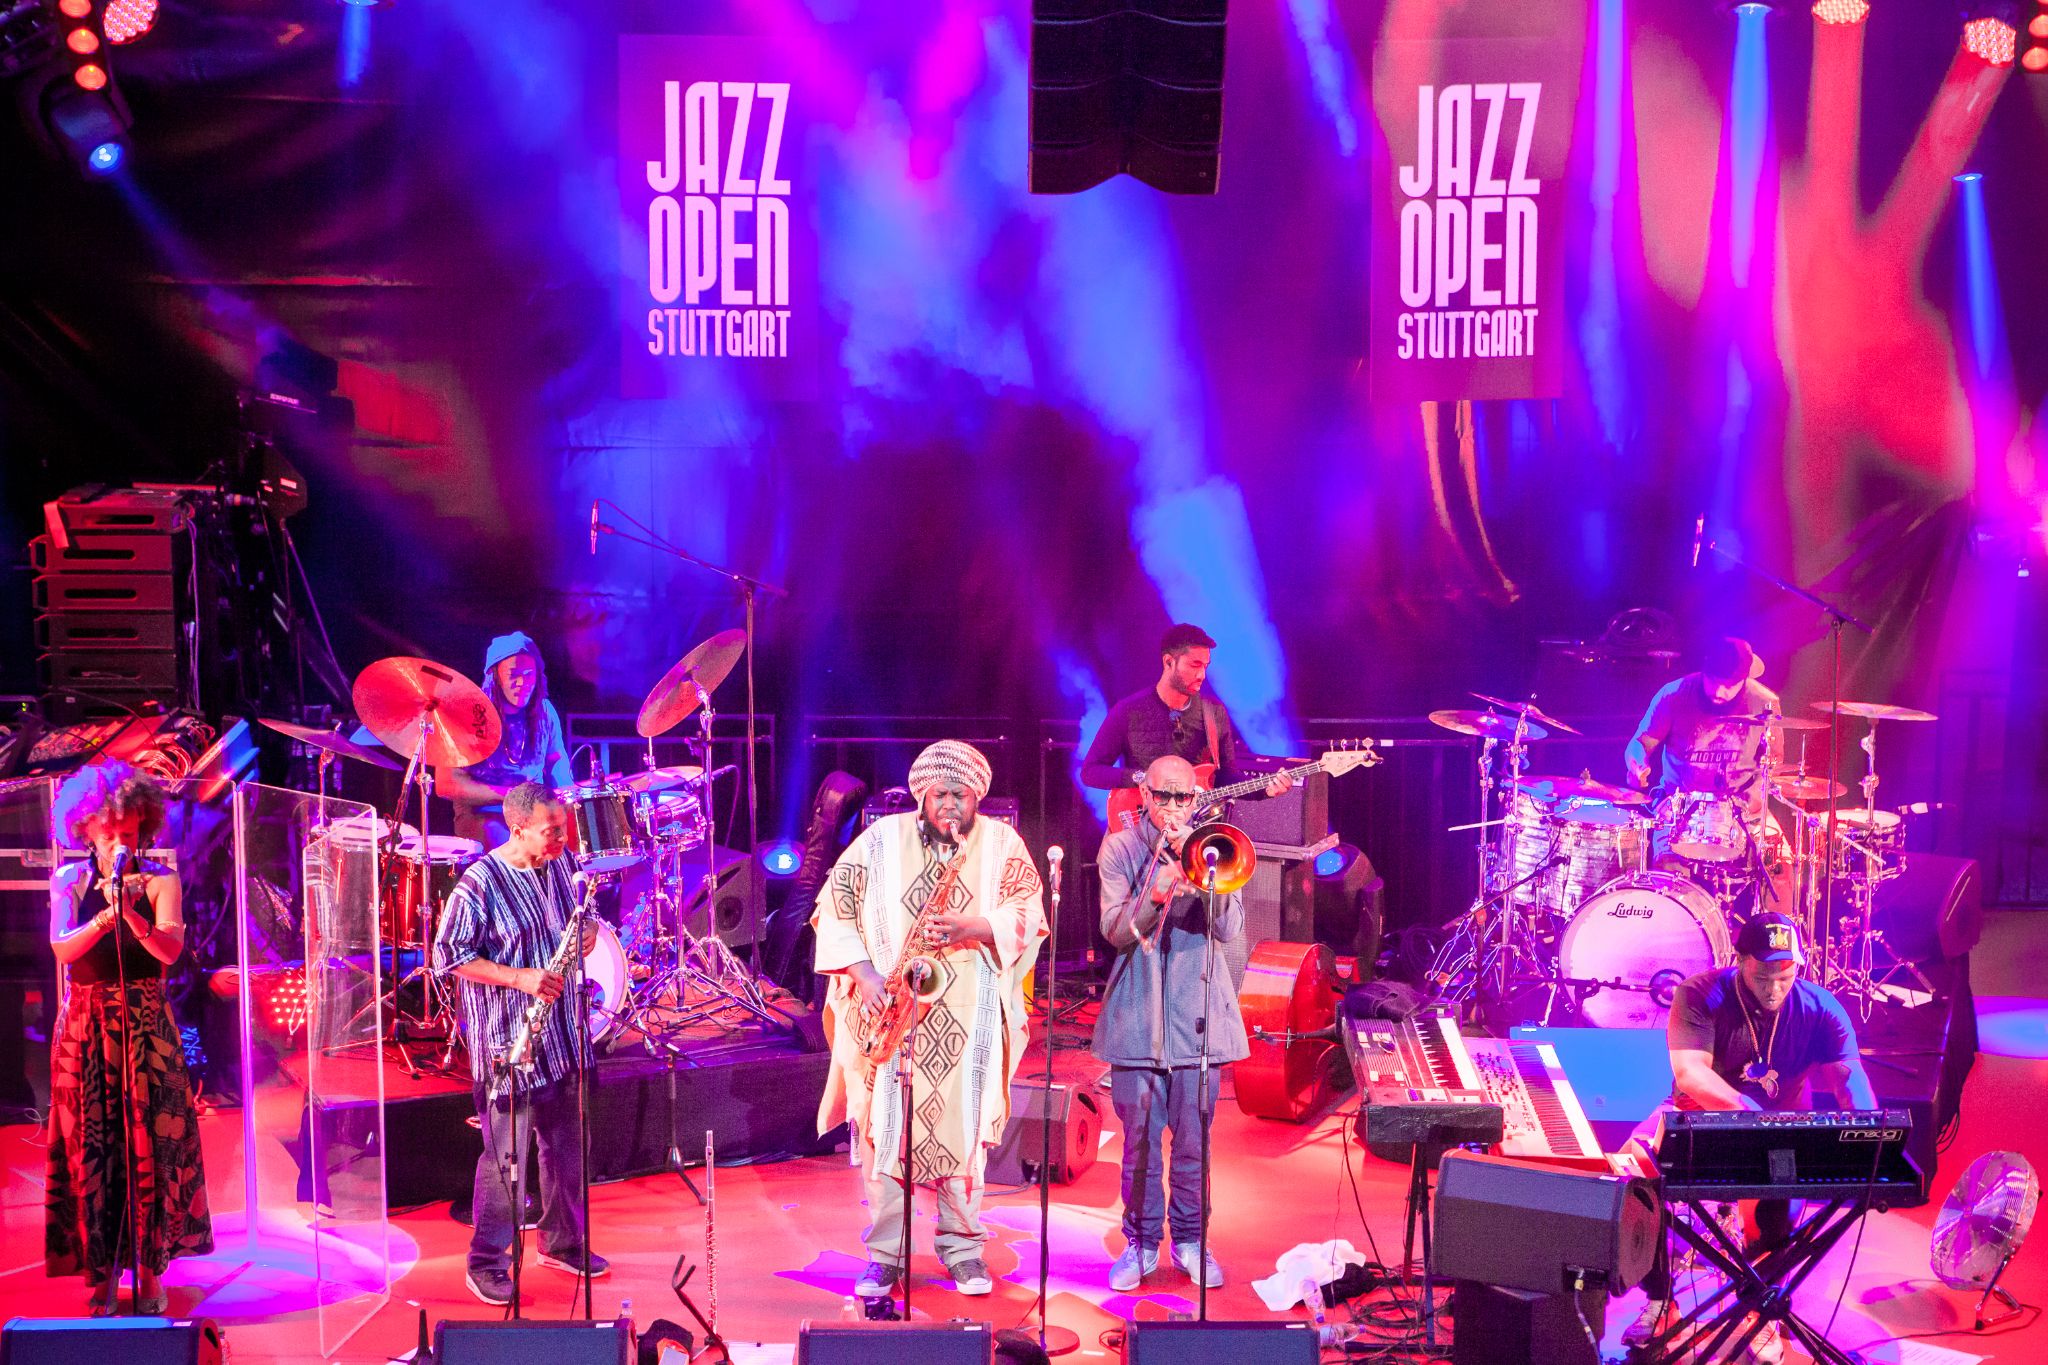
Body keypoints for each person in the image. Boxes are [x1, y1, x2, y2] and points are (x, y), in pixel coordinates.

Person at [812, 741, 1046, 1300]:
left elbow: (1028, 910)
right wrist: (866, 975)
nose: (949, 805)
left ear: (977, 798)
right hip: (890, 1015)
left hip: (972, 1020)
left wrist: (979, 926)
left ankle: (963, 1249)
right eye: (939, 794)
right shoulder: (878, 841)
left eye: (960, 796)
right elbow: (834, 908)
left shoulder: (1002, 843)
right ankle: (886, 1256)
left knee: (965, 1138)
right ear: (921, 793)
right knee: (884, 1135)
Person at [1623, 912, 1875, 1359]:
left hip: (1781, 1125)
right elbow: (1691, 1074)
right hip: (1700, 1115)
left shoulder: (1820, 1008)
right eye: (1762, 977)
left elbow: (1848, 1078)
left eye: (1785, 975)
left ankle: (1759, 1305)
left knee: (1785, 1195)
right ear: (1738, 960)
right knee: (1632, 1173)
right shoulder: (1700, 994)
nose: (1775, 988)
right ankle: (1662, 1298)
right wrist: (1751, 1116)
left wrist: (1871, 1137)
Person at [45, 761, 212, 1316]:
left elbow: (168, 952)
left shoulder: (162, 881)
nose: (120, 842)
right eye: (109, 831)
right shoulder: (69, 881)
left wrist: (134, 917)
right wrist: (104, 916)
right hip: (86, 1026)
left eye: (130, 833)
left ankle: (148, 1271)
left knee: (150, 1146)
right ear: (86, 827)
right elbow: (63, 950)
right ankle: (98, 1279)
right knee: (92, 1146)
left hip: (145, 1024)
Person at [434, 781, 608, 1306]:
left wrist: (589, 936)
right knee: (504, 1158)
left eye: (563, 828)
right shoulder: (479, 883)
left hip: (561, 1036)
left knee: (566, 1148)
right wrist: (521, 978)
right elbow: (450, 958)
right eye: (552, 831)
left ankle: (562, 1242)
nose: (562, 838)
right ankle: (486, 1262)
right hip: (509, 1041)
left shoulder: (557, 865)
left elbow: (582, 923)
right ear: (518, 829)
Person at [1091, 755, 1249, 1291]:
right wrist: (1157, 888)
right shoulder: (1120, 847)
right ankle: (1139, 1244)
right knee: (1139, 1143)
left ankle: (1189, 1241)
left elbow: (1229, 930)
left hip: (1197, 1014)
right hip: (1137, 1014)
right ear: (1146, 797)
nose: (1176, 808)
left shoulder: (1215, 843)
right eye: (1166, 797)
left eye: (1186, 798)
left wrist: (1205, 876)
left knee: (1192, 1144)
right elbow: (1115, 931)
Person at [1625, 636, 1790, 910]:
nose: (1721, 691)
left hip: (1742, 808)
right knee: (1668, 874)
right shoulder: (1674, 695)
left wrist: (1754, 799)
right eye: (1714, 680)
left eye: (1730, 685)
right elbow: (1640, 744)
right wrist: (1636, 766)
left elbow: (1773, 765)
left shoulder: (1765, 702)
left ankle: (1774, 946)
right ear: (1704, 669)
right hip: (1681, 806)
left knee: (1781, 865)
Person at [1080, 623, 1292, 802]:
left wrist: (1265, 789)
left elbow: (1226, 776)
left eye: (1206, 666)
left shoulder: (1214, 713)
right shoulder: (1128, 711)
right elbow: (1090, 772)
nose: (1201, 675)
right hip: (1140, 825)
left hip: (1194, 829)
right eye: (1194, 665)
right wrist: (1140, 777)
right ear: (1168, 662)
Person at [438, 632, 575, 846]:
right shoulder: (467, 714)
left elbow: (556, 761)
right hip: (483, 814)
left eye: (530, 674)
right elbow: (446, 784)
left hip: (533, 814)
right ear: (495, 676)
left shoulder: (545, 712)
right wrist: (508, 795)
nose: (522, 682)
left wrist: (568, 796)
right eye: (513, 674)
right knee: (507, 842)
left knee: (575, 833)